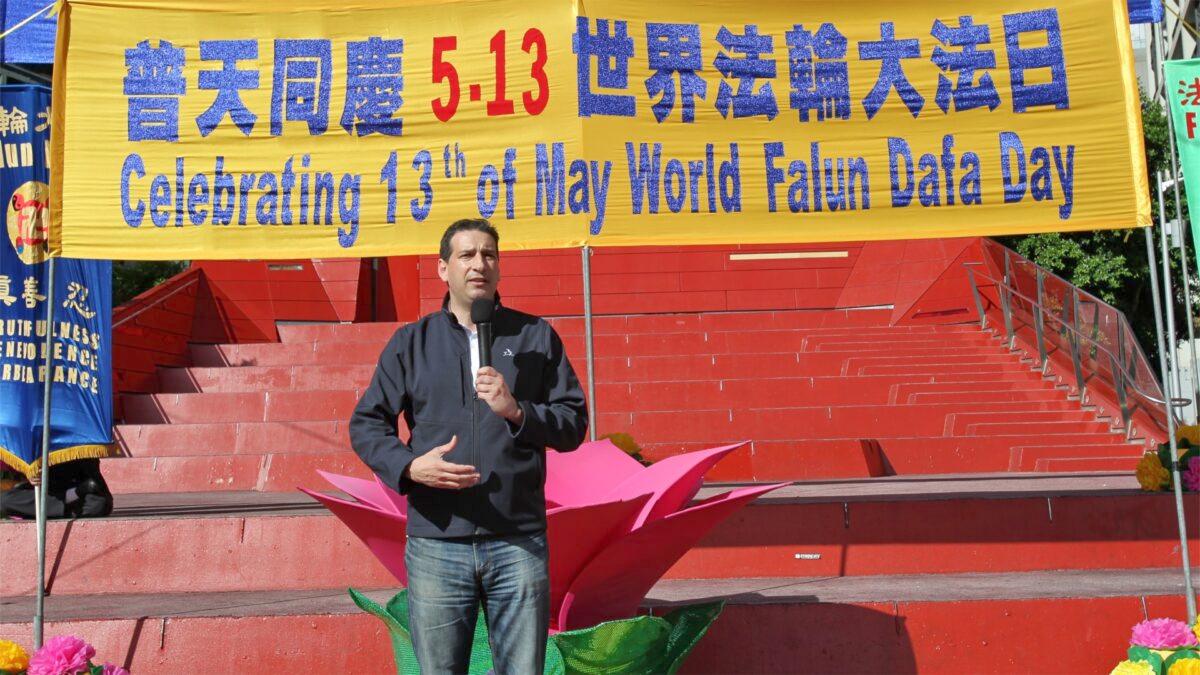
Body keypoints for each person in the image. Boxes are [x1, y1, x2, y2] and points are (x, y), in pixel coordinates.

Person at [349, 218, 588, 674]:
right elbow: (367, 423)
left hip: (517, 540)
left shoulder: (535, 337)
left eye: (489, 255)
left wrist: (518, 412)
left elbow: (573, 423)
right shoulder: (411, 343)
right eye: (466, 255)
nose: (479, 264)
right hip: (438, 543)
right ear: (443, 269)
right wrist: (409, 467)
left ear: (499, 267)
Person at [0, 458, 114, 519]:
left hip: (79, 492)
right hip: (49, 493)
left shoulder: (79, 435)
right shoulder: (34, 435)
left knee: (99, 504)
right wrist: (30, 472)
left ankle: (51, 510)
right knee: (3, 501)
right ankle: (59, 505)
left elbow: (93, 484)